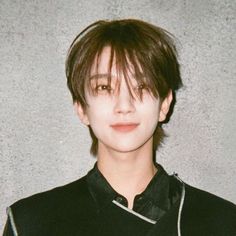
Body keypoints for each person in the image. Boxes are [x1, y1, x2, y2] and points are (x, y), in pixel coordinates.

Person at [3, 19, 236, 236]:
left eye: (141, 86)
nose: (124, 106)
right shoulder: (30, 223)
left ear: (164, 104)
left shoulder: (222, 222)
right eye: (104, 87)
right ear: (82, 108)